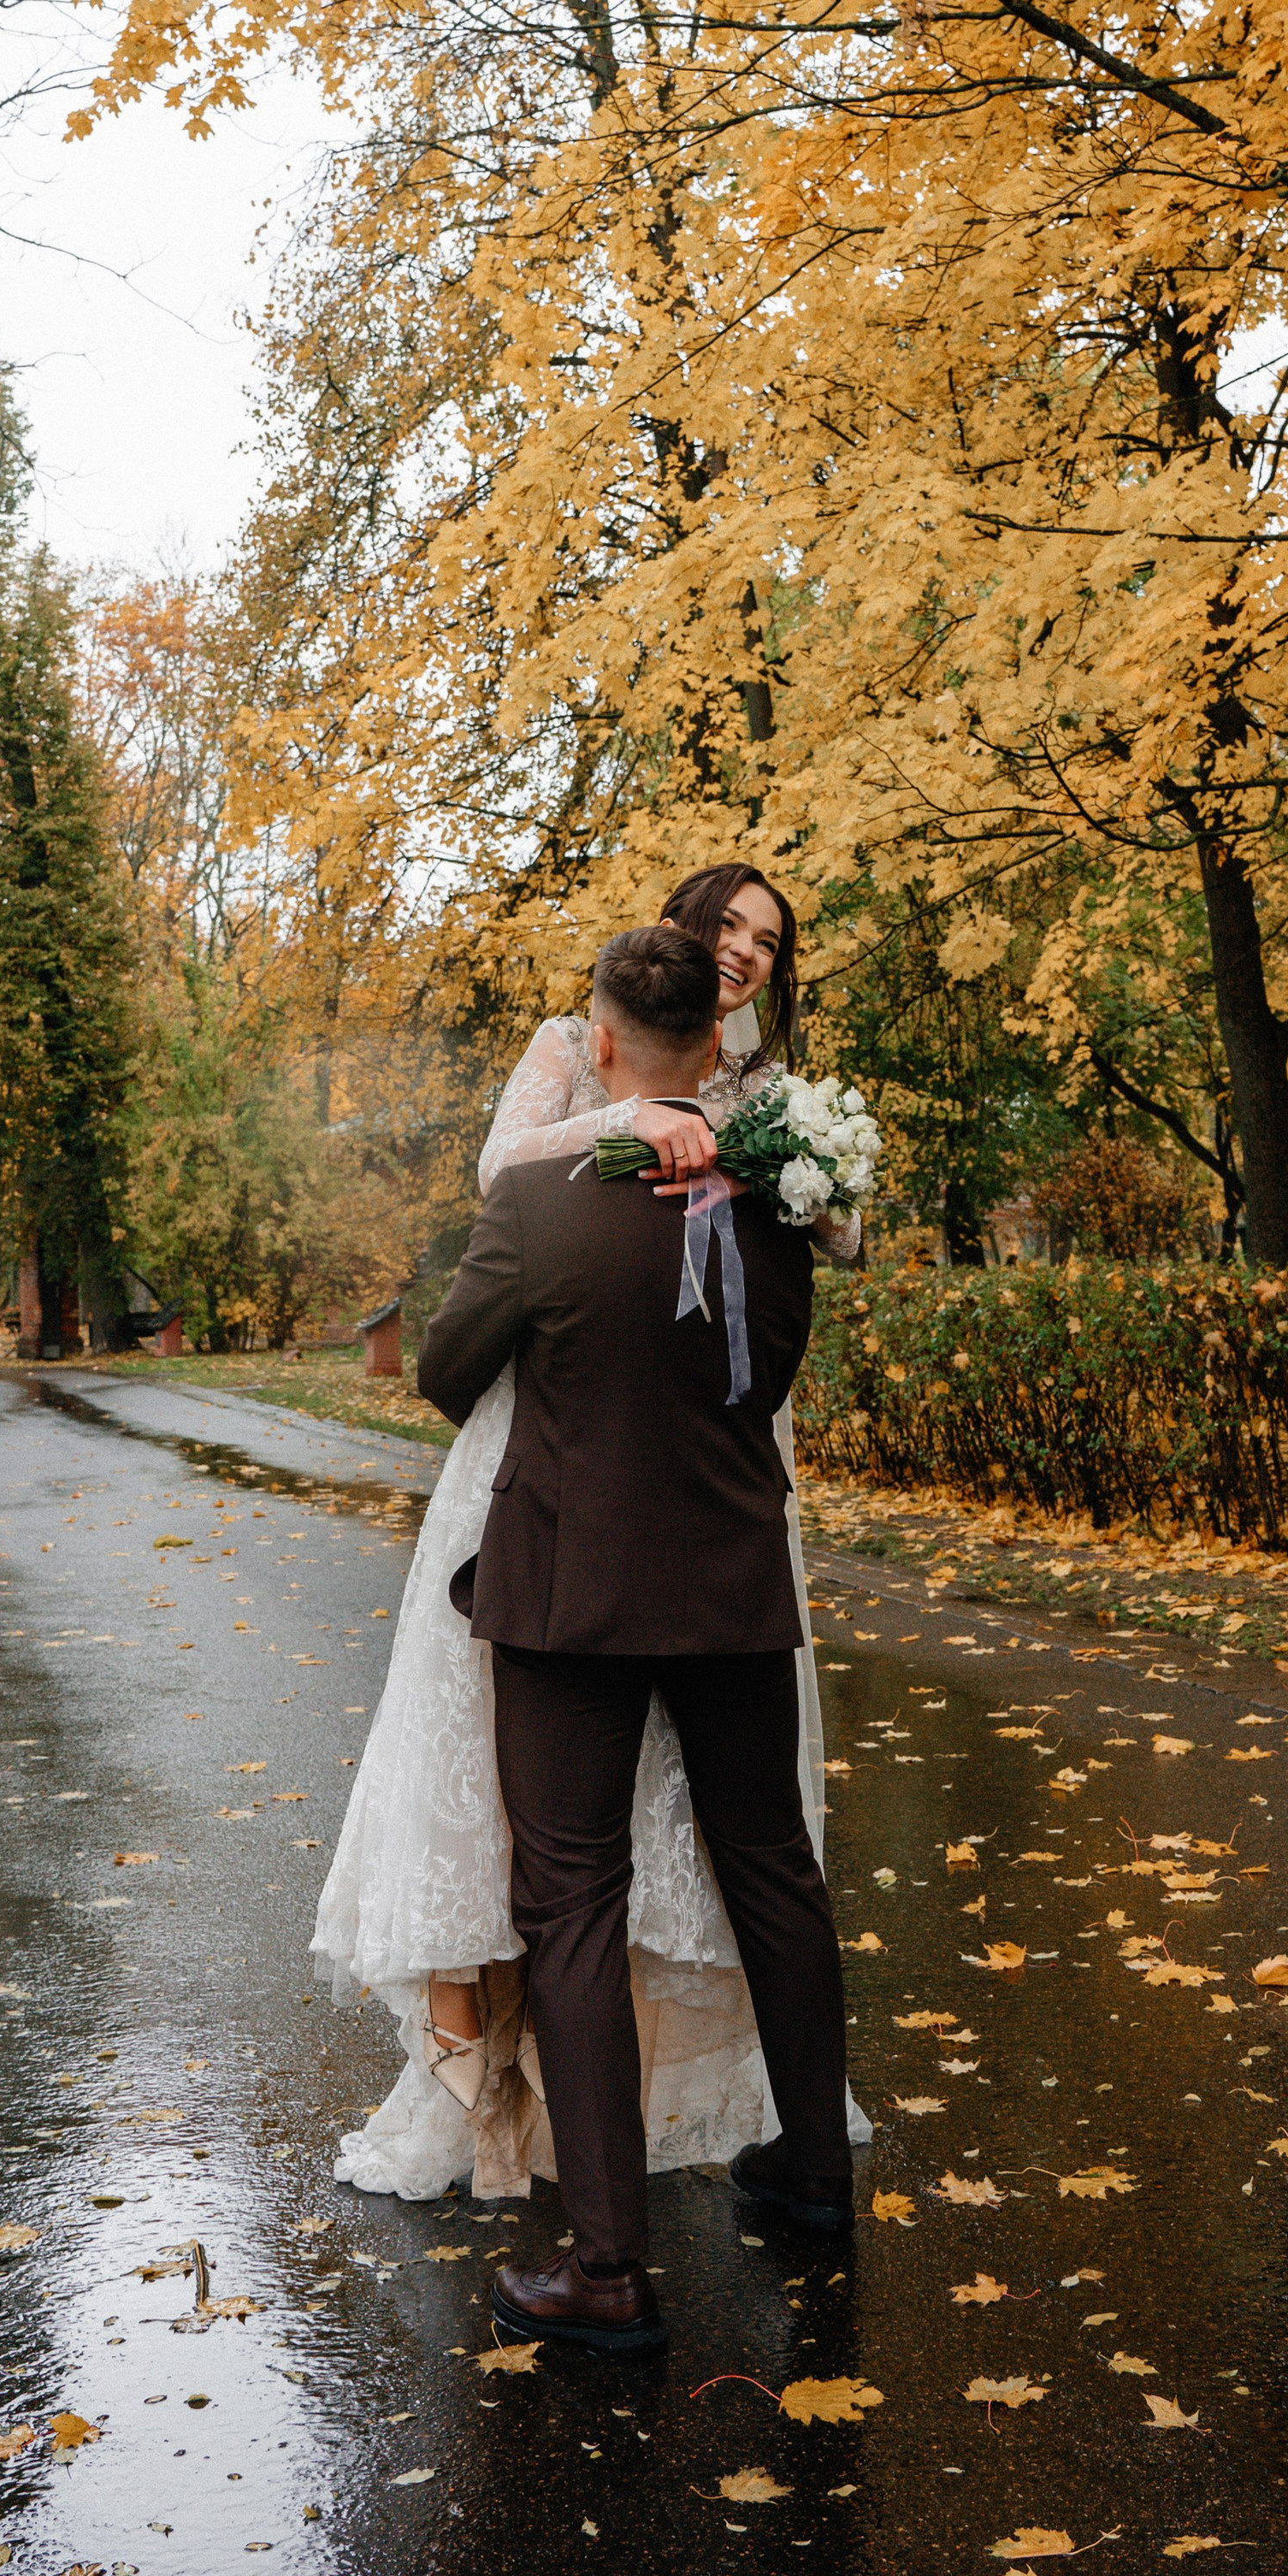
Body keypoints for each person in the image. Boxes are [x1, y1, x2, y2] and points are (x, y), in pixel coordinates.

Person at [310, 863, 863, 2204]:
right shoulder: (572, 1052)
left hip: (638, 1492)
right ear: (675, 939)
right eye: (727, 927)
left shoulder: (772, 1115)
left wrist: (733, 1144)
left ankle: (614, 2229)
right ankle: (590, 2115)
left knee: (602, 1866)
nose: (744, 954)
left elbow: (825, 1244)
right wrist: (653, 1124)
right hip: (618, 1468)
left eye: (767, 943)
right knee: (693, 1845)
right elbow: (509, 1163)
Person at [419, 923, 852, 2351]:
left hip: (572, 1598)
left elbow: (443, 1371)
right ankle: (814, 2181)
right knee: (774, 1872)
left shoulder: (540, 1204)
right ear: (713, 1056)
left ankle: (605, 2268)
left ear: (599, 1050)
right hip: (728, 1587)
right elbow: (767, 1372)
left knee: (575, 1901)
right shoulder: (785, 1199)